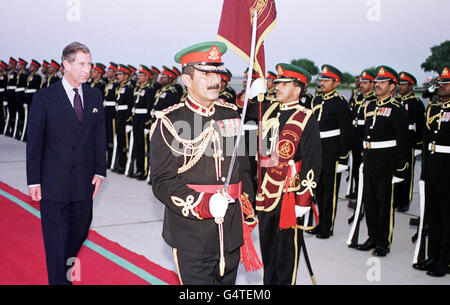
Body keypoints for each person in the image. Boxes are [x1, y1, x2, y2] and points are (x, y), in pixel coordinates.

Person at [150, 41, 256, 285]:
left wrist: (249, 213)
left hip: (230, 232)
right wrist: (203, 204)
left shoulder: (230, 114)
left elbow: (243, 168)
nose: (215, 80)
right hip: (192, 236)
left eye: (217, 72)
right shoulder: (169, 122)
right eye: (206, 73)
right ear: (187, 80)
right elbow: (162, 182)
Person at [26, 42, 106, 285]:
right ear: (66, 65)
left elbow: (99, 135)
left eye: (89, 64)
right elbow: (35, 143)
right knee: (55, 243)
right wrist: (34, 180)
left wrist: (100, 172)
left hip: (84, 182)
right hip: (54, 183)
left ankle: (63, 273)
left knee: (79, 232)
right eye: (82, 64)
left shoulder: (94, 95)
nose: (87, 69)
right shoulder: (45, 98)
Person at [249, 63, 322, 285]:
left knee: (285, 256)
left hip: (288, 196)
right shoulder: (269, 109)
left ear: (298, 88)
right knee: (268, 251)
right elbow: (248, 121)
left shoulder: (306, 117)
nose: (277, 86)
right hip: (265, 194)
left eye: (283, 83)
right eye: (277, 82)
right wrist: (254, 98)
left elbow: (313, 160)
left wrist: (304, 199)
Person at [355, 65, 410, 257]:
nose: (377, 85)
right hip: (370, 160)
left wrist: (400, 168)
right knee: (370, 203)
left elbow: (403, 141)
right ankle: (372, 236)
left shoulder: (397, 109)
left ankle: (383, 242)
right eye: (376, 81)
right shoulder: (369, 105)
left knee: (384, 205)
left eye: (382, 82)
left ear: (392, 86)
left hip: (386, 163)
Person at [309, 64, 353, 239]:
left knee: (330, 191)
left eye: (327, 80)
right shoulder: (316, 100)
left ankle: (328, 226)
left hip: (332, 150)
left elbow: (347, 131)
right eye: (322, 79)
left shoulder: (340, 102)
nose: (323, 82)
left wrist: (343, 158)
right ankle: (319, 223)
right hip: (317, 150)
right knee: (318, 190)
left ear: (336, 83)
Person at [416, 63, 450, 277]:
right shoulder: (434, 108)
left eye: (446, 83)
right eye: (441, 82)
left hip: (448, 170)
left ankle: (445, 261)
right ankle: (433, 255)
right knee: (433, 216)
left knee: (447, 217)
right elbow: (428, 142)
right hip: (433, 169)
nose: (442, 86)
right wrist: (425, 172)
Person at [394, 71, 425, 212]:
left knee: (407, 173)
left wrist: (418, 144)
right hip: (396, 141)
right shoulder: (395, 101)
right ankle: (395, 199)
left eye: (403, 84)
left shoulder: (415, 103)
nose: (400, 87)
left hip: (409, 141)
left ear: (411, 86)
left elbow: (421, 125)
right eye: (399, 84)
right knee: (395, 171)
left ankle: (405, 200)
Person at [347, 69, 377, 201]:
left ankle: (365, 193)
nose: (362, 84)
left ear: (372, 84)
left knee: (365, 166)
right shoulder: (358, 97)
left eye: (366, 82)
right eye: (362, 81)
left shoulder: (375, 100)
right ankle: (357, 189)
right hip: (355, 135)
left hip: (365, 135)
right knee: (355, 165)